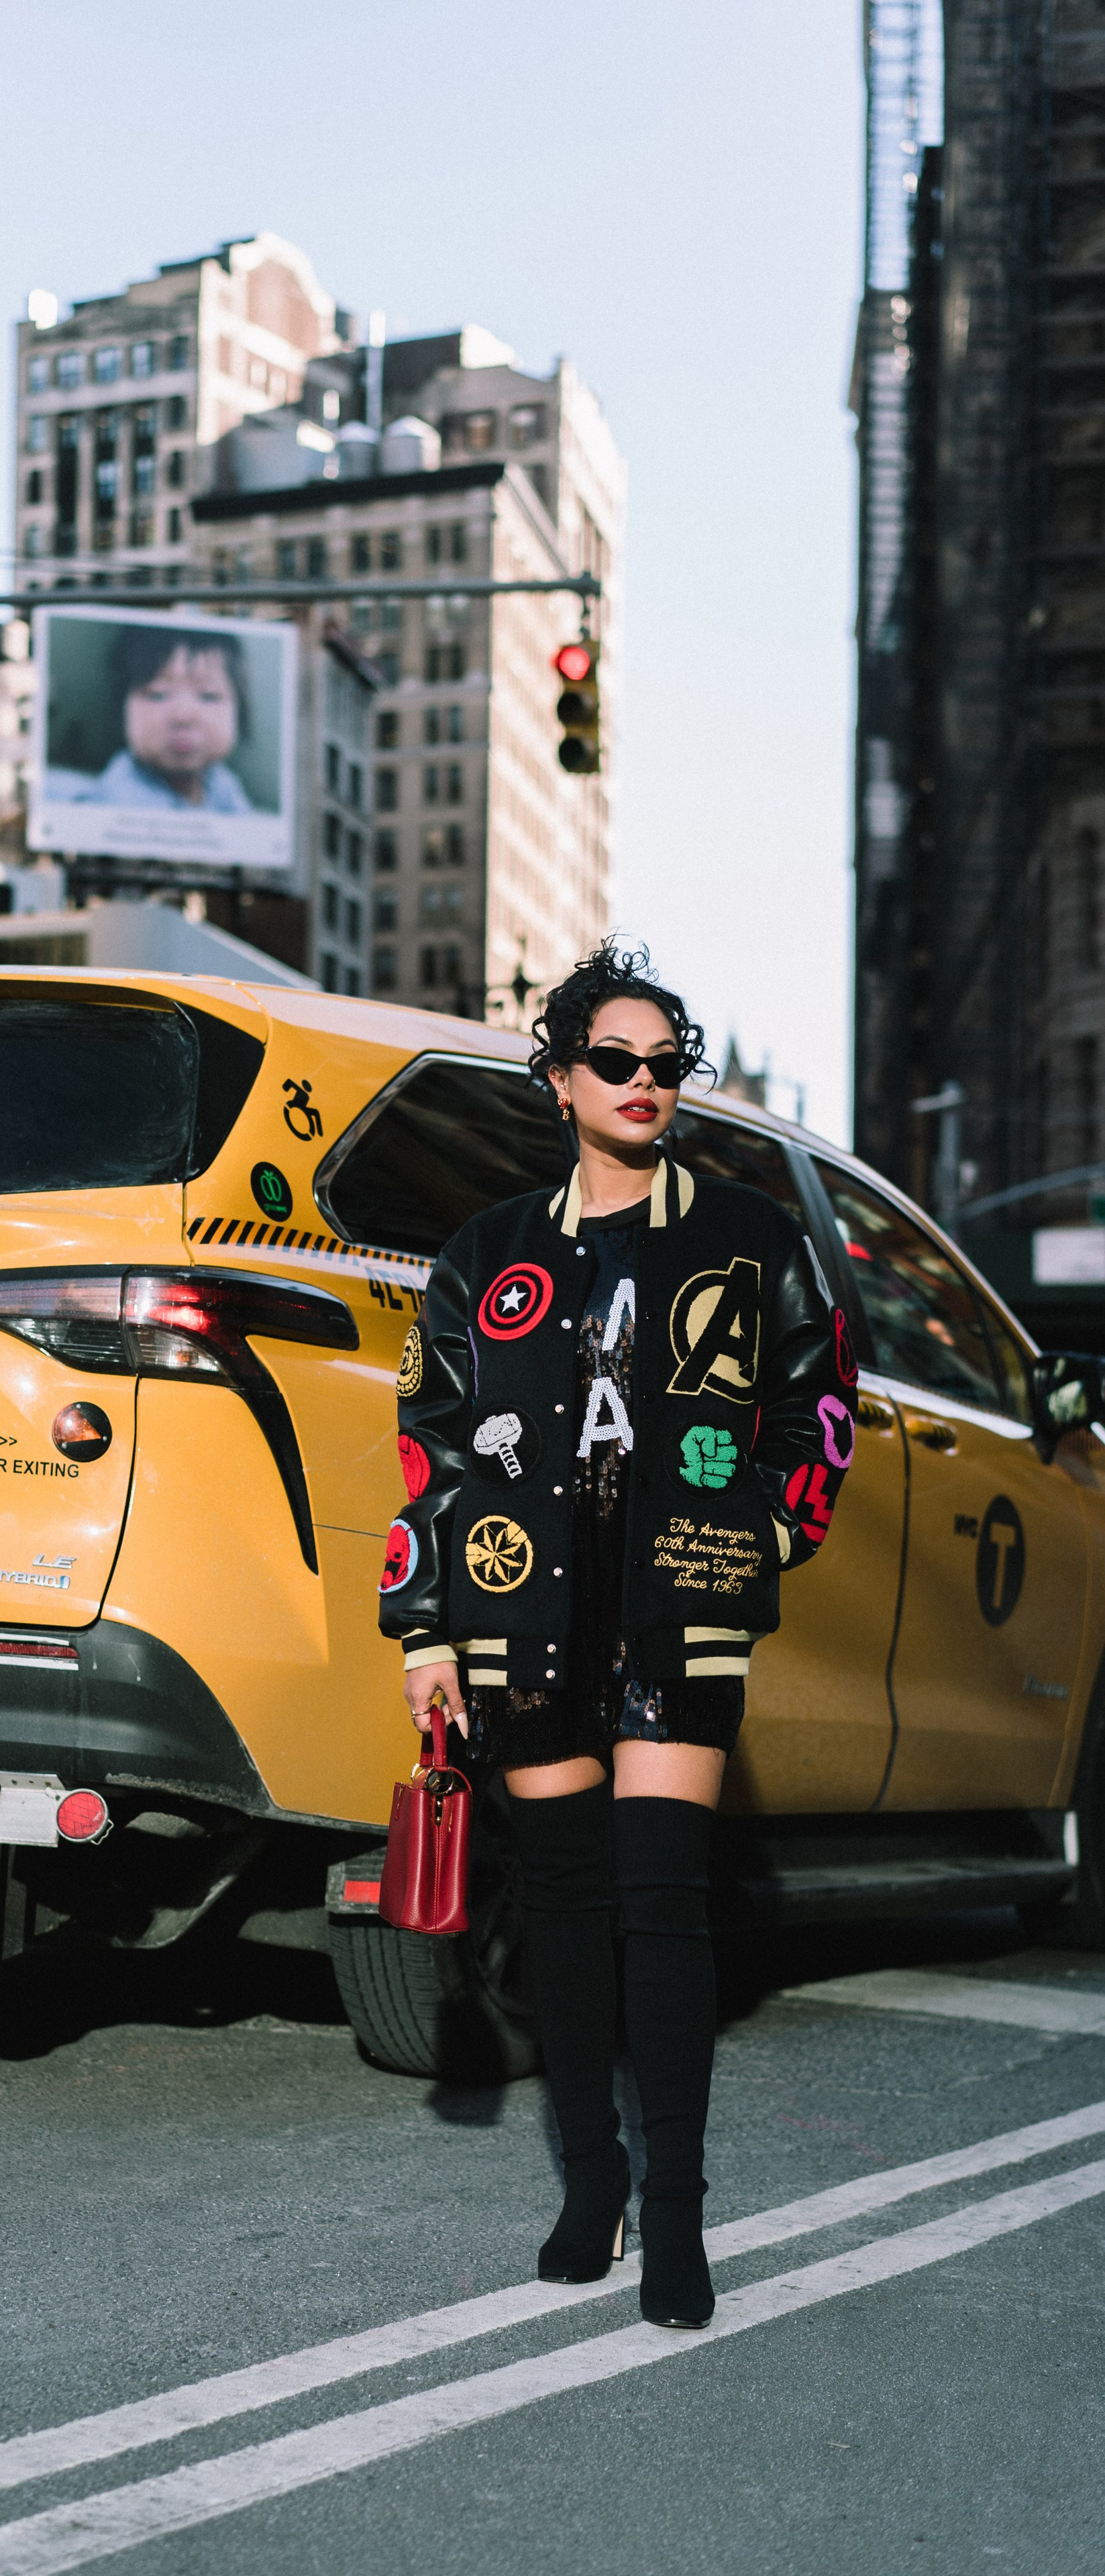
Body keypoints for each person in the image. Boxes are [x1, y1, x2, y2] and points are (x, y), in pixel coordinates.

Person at [378, 940, 856, 2328]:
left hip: (677, 1619)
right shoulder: (486, 1255)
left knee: (661, 1906)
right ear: (558, 1076)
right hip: (520, 1617)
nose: (644, 1084)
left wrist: (758, 1540)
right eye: (615, 1061)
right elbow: (432, 1450)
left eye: (666, 1064)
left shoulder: (750, 1239)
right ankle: (587, 2186)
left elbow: (812, 1414)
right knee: (569, 1918)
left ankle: (677, 2218)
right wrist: (423, 1631)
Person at [52, 626, 256, 813]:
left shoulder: (222, 783)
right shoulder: (122, 798)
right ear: (122, 709)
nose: (183, 716)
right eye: (158, 694)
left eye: (208, 696)